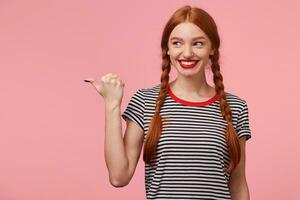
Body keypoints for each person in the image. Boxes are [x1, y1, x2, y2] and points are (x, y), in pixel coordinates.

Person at [85, 5, 252, 200]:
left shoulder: (236, 107)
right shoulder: (145, 101)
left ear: (212, 48)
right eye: (177, 43)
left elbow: (238, 184)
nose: (187, 53)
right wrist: (112, 105)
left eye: (198, 43)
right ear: (167, 49)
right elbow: (119, 176)